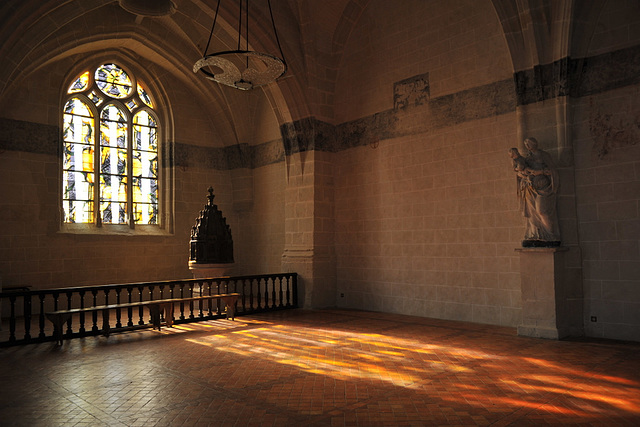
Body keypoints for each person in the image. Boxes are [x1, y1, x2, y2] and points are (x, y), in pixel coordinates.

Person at [511, 138, 561, 246]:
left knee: (542, 210)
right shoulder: (527, 158)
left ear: (535, 143)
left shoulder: (544, 155)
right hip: (529, 188)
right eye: (525, 144)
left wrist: (541, 172)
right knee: (532, 214)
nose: (527, 146)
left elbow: (552, 170)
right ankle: (535, 235)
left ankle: (551, 236)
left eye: (529, 143)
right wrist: (523, 175)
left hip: (543, 187)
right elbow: (520, 171)